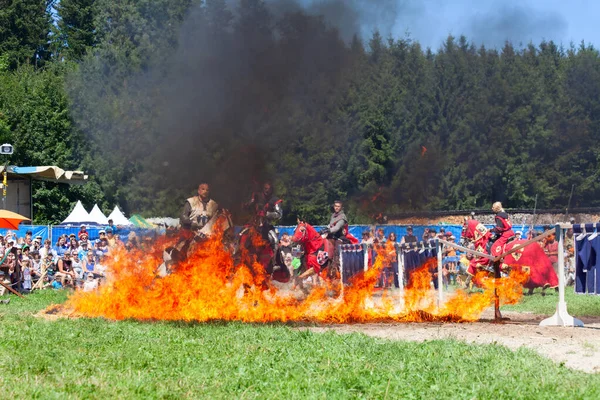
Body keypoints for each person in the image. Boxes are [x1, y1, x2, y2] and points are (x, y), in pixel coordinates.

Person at [245, 182, 282, 251]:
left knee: (275, 240)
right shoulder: (256, 196)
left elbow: (279, 214)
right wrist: (248, 205)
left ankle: (273, 261)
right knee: (241, 236)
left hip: (266, 225)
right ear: (263, 188)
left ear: (272, 190)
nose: (267, 190)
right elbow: (248, 206)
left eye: (269, 189)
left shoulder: (275, 199)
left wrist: (267, 214)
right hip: (253, 223)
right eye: (265, 188)